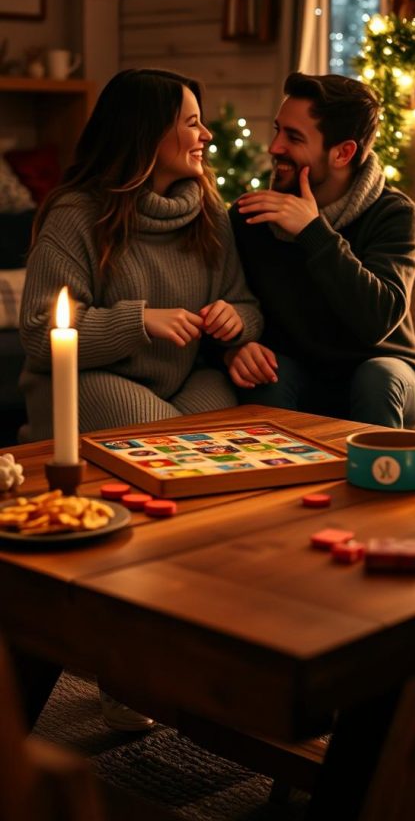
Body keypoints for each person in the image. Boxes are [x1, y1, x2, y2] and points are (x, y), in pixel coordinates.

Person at [19, 67, 263, 731]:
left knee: (208, 454)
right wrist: (140, 320)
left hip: (183, 391)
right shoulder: (76, 214)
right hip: (85, 390)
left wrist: (234, 326)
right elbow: (42, 334)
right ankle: (129, 671)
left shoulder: (209, 212)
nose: (204, 134)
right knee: (169, 458)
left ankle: (197, 653)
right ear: (146, 133)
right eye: (189, 122)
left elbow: (246, 303)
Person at [226, 71, 415, 430]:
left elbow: (375, 322)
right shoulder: (251, 216)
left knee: (377, 378)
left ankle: (379, 483)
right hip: (300, 373)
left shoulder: (393, 214)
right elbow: (225, 301)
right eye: (278, 130)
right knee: (266, 377)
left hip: (387, 369)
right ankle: (275, 484)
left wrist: (314, 233)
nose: (274, 147)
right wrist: (232, 349)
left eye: (293, 137)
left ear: (343, 153)